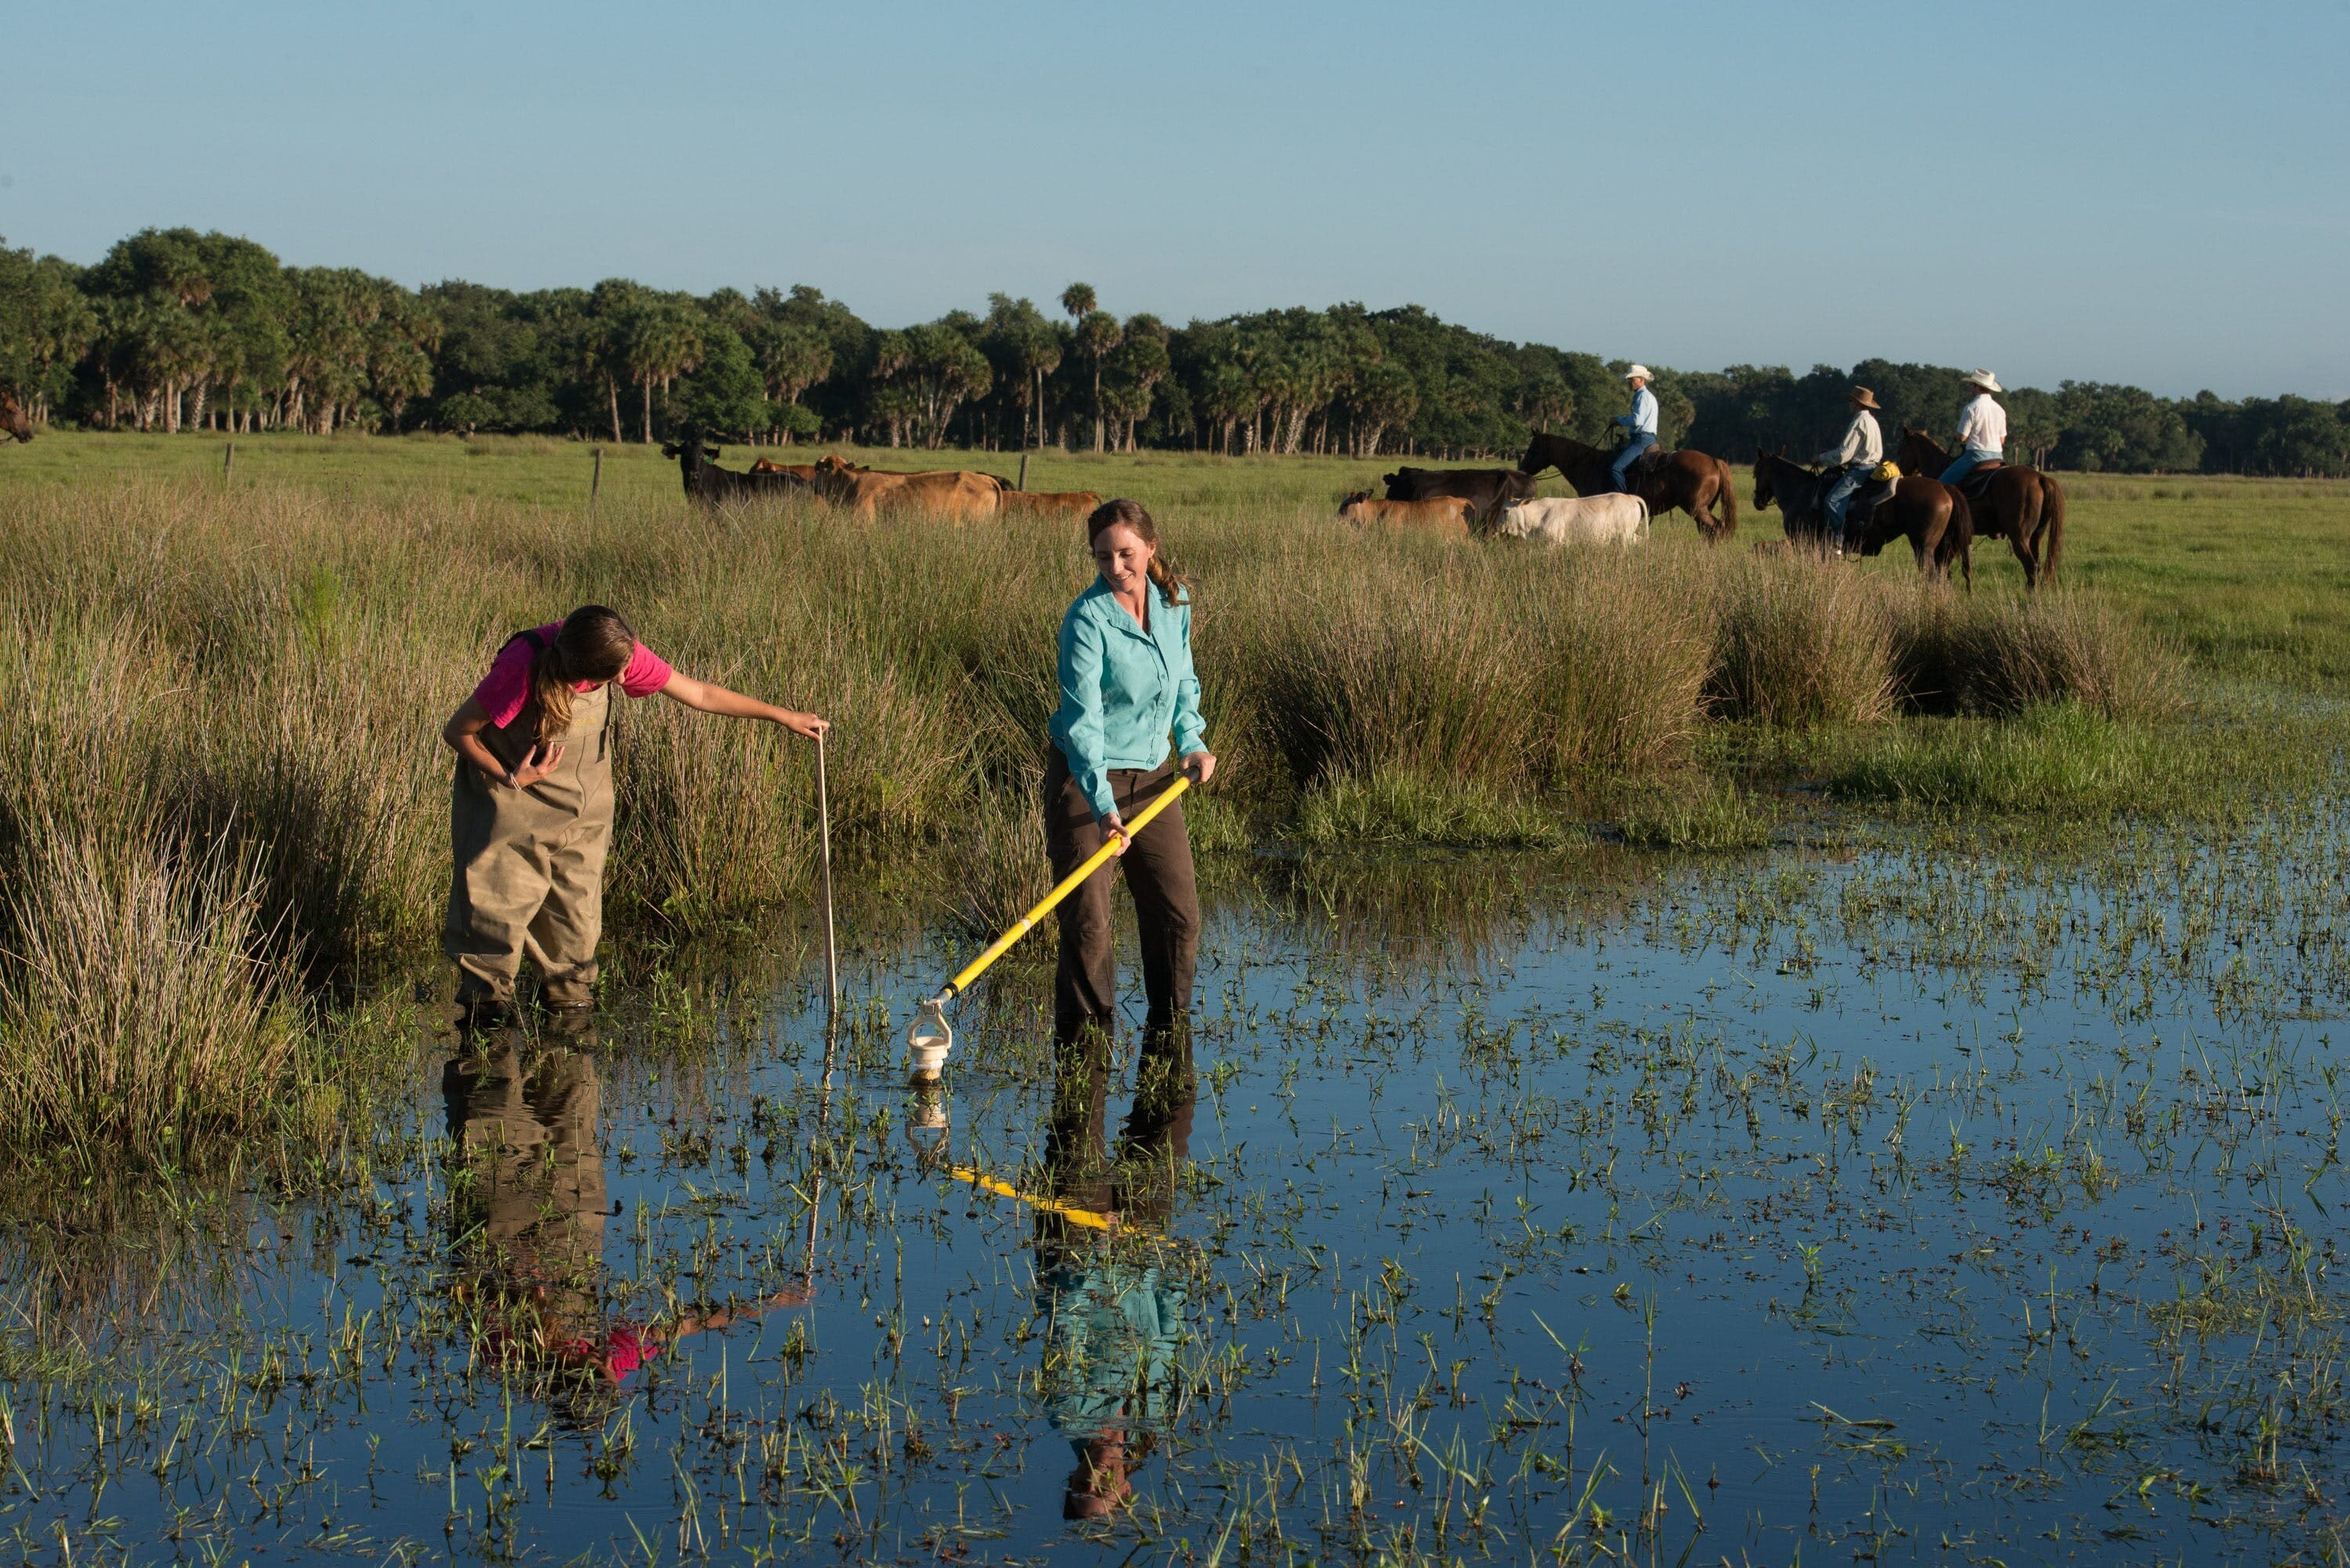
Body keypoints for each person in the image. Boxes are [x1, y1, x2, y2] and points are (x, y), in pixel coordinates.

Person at [443, 604, 827, 1019]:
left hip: (583, 815)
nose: (627, 678)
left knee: (576, 929)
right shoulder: (522, 666)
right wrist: (512, 777)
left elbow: (698, 693)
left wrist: (783, 716)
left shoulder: (616, 649)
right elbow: (458, 730)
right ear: (583, 671)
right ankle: (487, 1029)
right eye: (616, 676)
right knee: (494, 918)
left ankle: (568, 1016)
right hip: (511, 812)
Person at [1047, 500, 1215, 1051]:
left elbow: (1184, 679)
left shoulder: (1174, 602)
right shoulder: (1086, 619)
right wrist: (1103, 808)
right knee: (1089, 924)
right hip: (1085, 777)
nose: (1116, 567)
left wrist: (1191, 742)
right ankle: (1086, 1050)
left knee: (1177, 915)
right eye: (1103, 557)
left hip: (1156, 777)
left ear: (1150, 548)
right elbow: (1083, 723)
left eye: (1125, 554)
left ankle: (1169, 1038)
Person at [1817, 386, 1885, 551]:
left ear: (1856, 403)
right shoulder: (1872, 421)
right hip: (1872, 466)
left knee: (1832, 501)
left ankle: (1837, 540)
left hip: (1860, 470)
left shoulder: (1859, 421)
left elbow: (1844, 454)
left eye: (1851, 401)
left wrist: (1821, 458)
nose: (1849, 404)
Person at [1940, 368, 2008, 485]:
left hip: (1976, 456)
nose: (1970, 388)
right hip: (1998, 456)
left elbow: (1962, 437)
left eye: (1971, 385)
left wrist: (1956, 435)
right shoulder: (2000, 409)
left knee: (1942, 483)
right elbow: (2002, 440)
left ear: (1977, 387)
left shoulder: (1971, 408)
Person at [1610, 365, 1661, 493]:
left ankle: (1622, 499)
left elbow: (1637, 420)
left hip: (1641, 440)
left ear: (1641, 380)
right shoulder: (1649, 396)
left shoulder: (1642, 396)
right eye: (1629, 379)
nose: (1629, 382)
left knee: (1616, 468)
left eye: (1632, 379)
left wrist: (1618, 420)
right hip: (1648, 438)